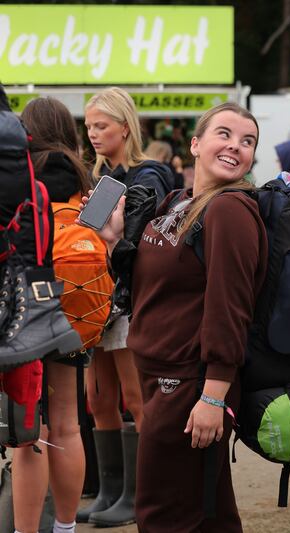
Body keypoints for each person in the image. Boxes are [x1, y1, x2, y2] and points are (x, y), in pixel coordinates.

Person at [86, 102, 267, 531]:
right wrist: (113, 243)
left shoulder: (230, 210)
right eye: (224, 134)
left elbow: (231, 306)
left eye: (247, 141)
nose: (235, 146)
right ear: (196, 143)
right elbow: (151, 286)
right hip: (161, 377)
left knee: (162, 513)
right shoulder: (177, 201)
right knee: (207, 513)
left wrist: (213, 396)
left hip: (190, 384)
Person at [78, 87, 173, 526]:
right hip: (100, 299)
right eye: (89, 126)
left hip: (130, 298)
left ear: (125, 126)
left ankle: (139, 495)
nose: (93, 133)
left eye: (101, 125)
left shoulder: (146, 174)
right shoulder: (100, 176)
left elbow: (136, 239)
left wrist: (104, 229)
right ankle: (113, 492)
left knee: (135, 398)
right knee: (98, 399)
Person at [7, 97, 91, 533]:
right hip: (74, 307)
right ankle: (66, 526)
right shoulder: (83, 173)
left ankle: (25, 530)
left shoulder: (20, 171)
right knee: (68, 425)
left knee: (29, 432)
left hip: (27, 307)